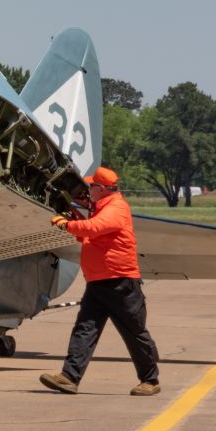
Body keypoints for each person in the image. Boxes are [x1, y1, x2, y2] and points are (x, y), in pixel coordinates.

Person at [40, 167, 160, 396]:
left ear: (102, 189)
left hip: (120, 283)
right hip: (97, 282)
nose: (87, 190)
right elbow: (88, 234)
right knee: (85, 329)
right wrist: (72, 222)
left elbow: (94, 229)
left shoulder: (117, 208)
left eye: (91, 186)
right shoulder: (101, 208)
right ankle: (69, 377)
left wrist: (66, 224)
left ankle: (150, 380)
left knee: (134, 333)